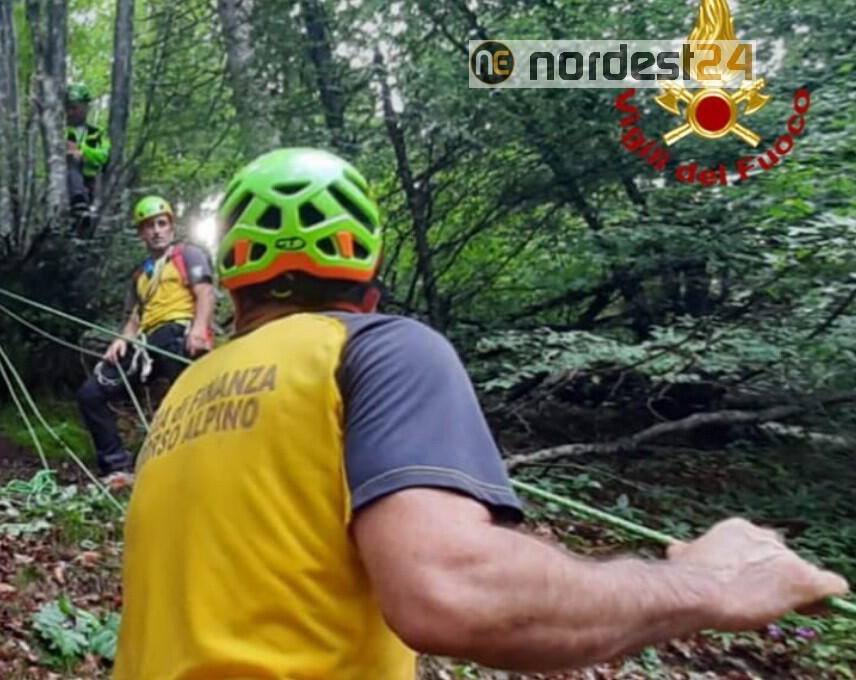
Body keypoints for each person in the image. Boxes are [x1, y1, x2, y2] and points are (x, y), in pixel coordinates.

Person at [112, 148, 849, 678]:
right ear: (367, 277)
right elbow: (452, 591)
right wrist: (712, 584)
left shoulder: (184, 393)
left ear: (236, 286)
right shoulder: (380, 348)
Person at [76, 195, 215, 475]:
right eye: (149, 226)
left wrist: (199, 330)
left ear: (171, 226)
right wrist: (121, 340)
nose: (157, 231)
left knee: (192, 400)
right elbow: (133, 318)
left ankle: (203, 463)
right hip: (144, 343)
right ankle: (117, 465)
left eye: (162, 224)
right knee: (90, 394)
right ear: (141, 232)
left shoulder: (188, 255)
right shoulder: (141, 274)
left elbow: (206, 293)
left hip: (179, 332)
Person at [66, 82, 110, 221]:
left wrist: (82, 152)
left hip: (91, 183)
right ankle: (77, 200)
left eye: (74, 107)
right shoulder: (60, 131)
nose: (70, 112)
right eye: (67, 108)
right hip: (64, 185)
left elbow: (104, 156)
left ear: (85, 107)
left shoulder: (97, 133)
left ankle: (82, 204)